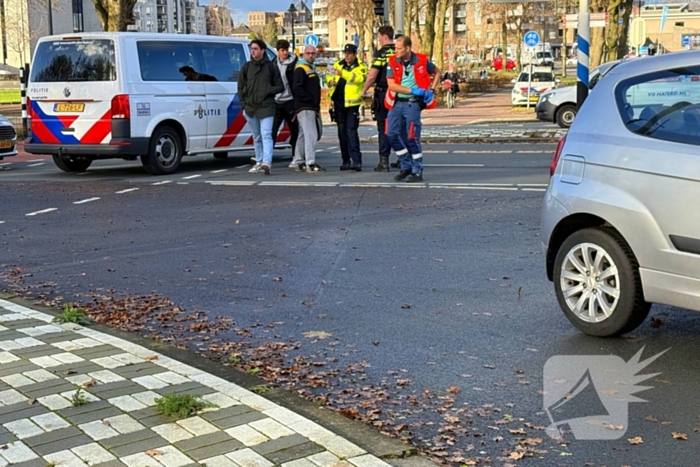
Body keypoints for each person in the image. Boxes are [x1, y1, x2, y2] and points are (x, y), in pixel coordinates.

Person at [385, 36, 440, 183]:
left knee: (412, 137)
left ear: (407, 49)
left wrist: (432, 90)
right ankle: (406, 164)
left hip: (412, 104)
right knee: (390, 134)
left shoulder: (421, 61)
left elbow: (437, 72)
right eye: (395, 48)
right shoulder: (392, 61)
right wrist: (413, 90)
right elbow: (392, 86)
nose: (395, 51)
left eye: (398, 48)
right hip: (396, 103)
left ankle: (417, 170)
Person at [238, 39, 284, 175]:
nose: (253, 51)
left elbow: (280, 86)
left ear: (263, 50)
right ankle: (259, 161)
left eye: (256, 48)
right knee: (256, 136)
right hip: (250, 107)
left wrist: (268, 89)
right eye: (252, 48)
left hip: (266, 107)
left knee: (266, 134)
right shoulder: (246, 67)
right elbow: (240, 86)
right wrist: (243, 104)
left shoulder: (271, 67)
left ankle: (266, 162)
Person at [327, 44, 368, 171]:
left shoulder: (361, 66)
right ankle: (346, 161)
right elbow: (329, 76)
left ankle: (356, 161)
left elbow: (358, 78)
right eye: (345, 53)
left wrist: (342, 73)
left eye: (349, 53)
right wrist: (330, 82)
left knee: (351, 132)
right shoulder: (338, 64)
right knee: (341, 133)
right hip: (339, 102)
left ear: (355, 54)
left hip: (352, 105)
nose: (347, 55)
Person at [362, 25, 396, 172]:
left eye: (379, 37)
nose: (378, 39)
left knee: (383, 127)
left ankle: (384, 161)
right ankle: (403, 159)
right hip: (399, 92)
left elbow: (372, 76)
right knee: (399, 126)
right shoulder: (399, 51)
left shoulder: (381, 54)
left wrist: (364, 90)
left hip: (384, 94)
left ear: (383, 37)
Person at [293, 45, 325, 172]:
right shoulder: (301, 68)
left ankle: (299, 160)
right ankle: (310, 163)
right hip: (306, 106)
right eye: (308, 53)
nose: (311, 55)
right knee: (311, 134)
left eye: (313, 53)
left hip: (306, 106)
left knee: (302, 134)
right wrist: (310, 100)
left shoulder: (309, 68)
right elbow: (297, 87)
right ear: (303, 54)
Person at [271, 39, 301, 169]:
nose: (285, 53)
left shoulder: (294, 63)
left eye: (286, 50)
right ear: (277, 51)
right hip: (277, 102)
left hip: (290, 101)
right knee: (271, 130)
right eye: (282, 50)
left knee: (294, 130)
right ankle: (266, 157)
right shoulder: (273, 64)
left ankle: (296, 156)